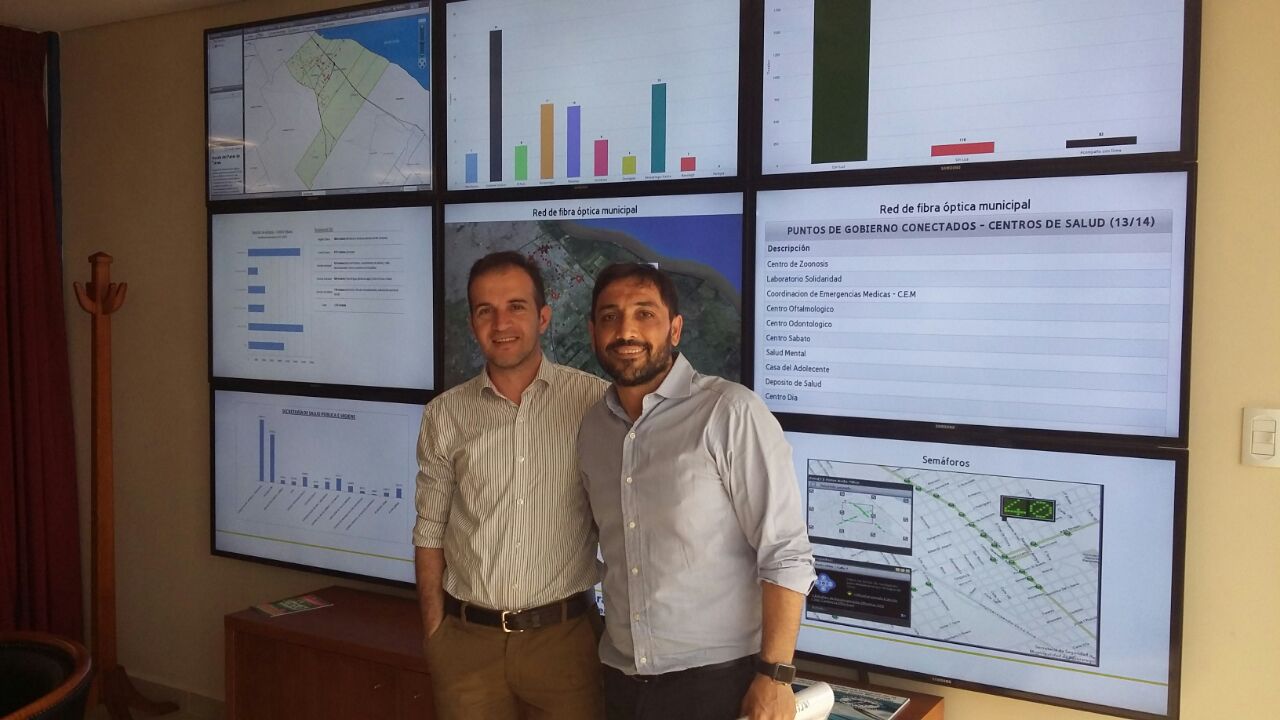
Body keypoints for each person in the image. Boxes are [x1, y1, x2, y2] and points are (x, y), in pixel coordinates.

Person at [578, 263, 816, 720]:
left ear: (675, 329)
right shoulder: (593, 428)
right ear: (593, 332)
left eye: (644, 313)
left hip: (718, 686)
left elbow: (786, 553)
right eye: (610, 317)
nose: (625, 331)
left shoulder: (730, 412)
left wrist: (776, 676)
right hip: (620, 682)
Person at [413, 251, 608, 720]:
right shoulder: (445, 414)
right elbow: (429, 531)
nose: (501, 323)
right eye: (486, 310)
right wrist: (436, 635)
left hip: (567, 645)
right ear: (472, 323)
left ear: (543, 317)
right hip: (467, 648)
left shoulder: (594, 403)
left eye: (516, 306)